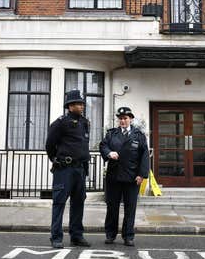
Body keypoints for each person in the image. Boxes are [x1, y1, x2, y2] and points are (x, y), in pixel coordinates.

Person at [45, 89, 92, 249]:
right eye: (79, 104)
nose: (82, 106)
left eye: (82, 103)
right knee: (59, 203)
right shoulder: (60, 122)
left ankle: (76, 236)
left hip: (80, 169)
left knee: (78, 203)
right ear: (70, 106)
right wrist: (56, 160)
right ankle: (56, 237)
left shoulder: (85, 122)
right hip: (64, 169)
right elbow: (50, 145)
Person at [99, 107, 149, 246]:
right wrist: (109, 153)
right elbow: (103, 146)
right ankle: (110, 235)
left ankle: (128, 236)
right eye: (120, 118)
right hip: (113, 177)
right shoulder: (111, 134)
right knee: (112, 207)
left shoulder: (139, 135)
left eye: (125, 118)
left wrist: (141, 175)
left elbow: (144, 155)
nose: (122, 121)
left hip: (132, 177)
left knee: (130, 208)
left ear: (131, 119)